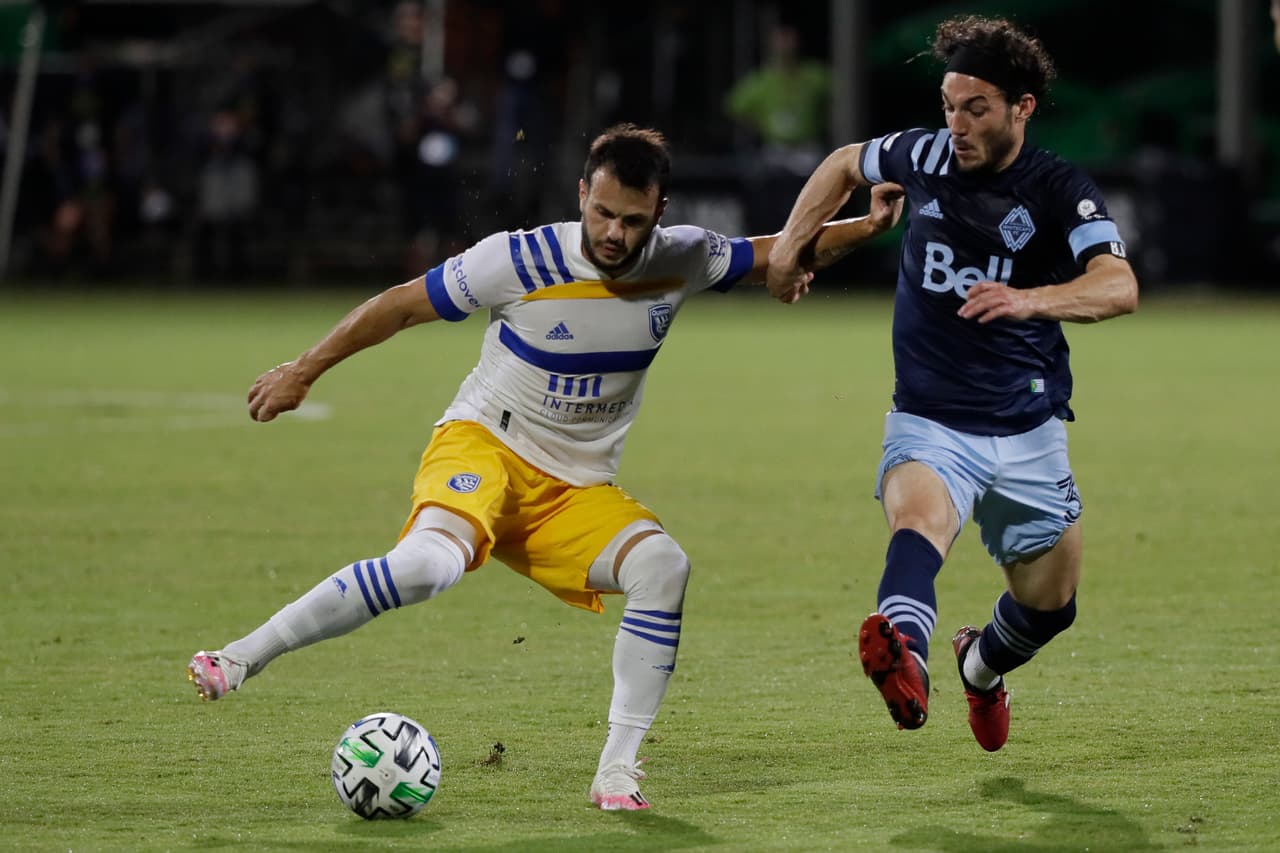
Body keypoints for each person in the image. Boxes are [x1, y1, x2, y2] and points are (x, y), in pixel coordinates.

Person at [187, 124, 903, 809]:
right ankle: (243, 655)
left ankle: (617, 770)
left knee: (663, 568)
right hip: (484, 449)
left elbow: (777, 252)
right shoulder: (517, 259)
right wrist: (304, 369)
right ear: (581, 192)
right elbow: (402, 306)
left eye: (632, 219)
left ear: (660, 211)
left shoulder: (680, 256)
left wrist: (867, 229)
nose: (615, 233)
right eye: (602, 213)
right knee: (424, 568)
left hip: (575, 492)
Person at [765, 16, 1138, 752]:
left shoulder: (1058, 187)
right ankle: (905, 656)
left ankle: (980, 665)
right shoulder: (924, 154)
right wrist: (786, 246)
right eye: (948, 104)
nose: (956, 124)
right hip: (930, 420)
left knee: (1050, 607)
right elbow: (845, 162)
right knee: (917, 526)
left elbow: (1118, 285)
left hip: (1029, 428)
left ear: (1021, 108)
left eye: (976, 109)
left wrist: (1031, 297)